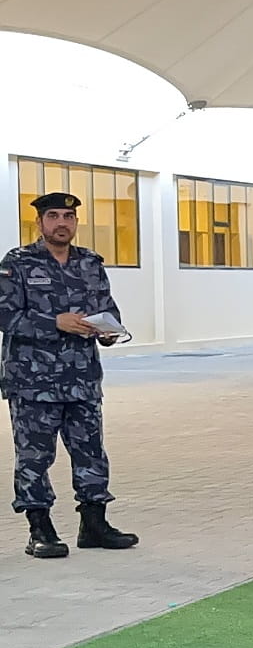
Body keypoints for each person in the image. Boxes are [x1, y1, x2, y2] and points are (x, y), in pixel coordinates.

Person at [0, 190, 138, 557]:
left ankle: (94, 523)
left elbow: (108, 308)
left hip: (82, 379)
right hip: (33, 382)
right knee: (34, 457)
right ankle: (39, 529)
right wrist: (55, 322)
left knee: (91, 452)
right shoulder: (18, 262)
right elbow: (6, 317)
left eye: (68, 216)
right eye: (54, 216)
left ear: (75, 222)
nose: (62, 223)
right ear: (40, 222)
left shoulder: (90, 263)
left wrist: (109, 330)